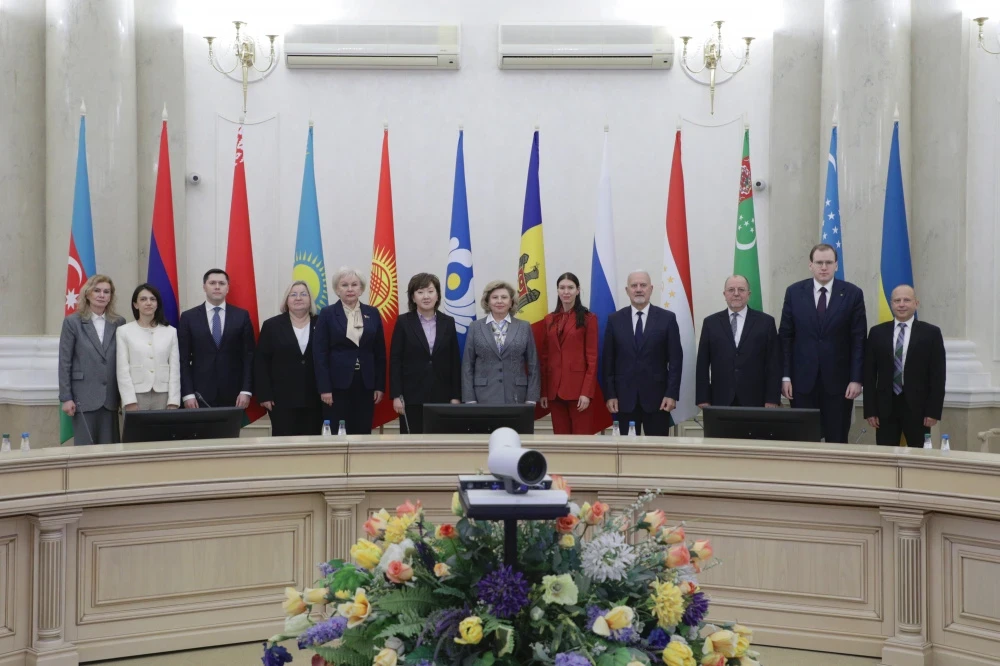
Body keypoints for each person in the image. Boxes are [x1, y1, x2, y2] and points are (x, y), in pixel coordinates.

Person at [779, 244, 867, 443]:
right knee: (803, 440)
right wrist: (785, 376)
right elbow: (785, 337)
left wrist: (856, 379)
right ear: (810, 265)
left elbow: (859, 339)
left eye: (828, 262)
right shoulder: (794, 292)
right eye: (819, 262)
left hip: (839, 384)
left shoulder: (852, 293)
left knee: (837, 440)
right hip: (801, 383)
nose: (824, 267)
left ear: (836, 265)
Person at [863, 285, 945, 447]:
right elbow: (869, 374)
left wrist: (933, 411)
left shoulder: (931, 333)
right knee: (886, 455)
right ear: (891, 304)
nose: (901, 304)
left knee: (919, 455)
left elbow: (938, 375)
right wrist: (870, 410)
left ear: (916, 303)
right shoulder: (877, 333)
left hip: (919, 408)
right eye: (897, 300)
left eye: (906, 300)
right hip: (885, 408)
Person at [602, 270, 682, 436]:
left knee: (658, 449)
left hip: (658, 400)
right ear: (627, 290)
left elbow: (675, 360)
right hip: (624, 400)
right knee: (627, 449)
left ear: (651, 289)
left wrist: (671, 394)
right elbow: (608, 361)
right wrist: (610, 395)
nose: (638, 289)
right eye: (634, 286)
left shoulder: (667, 318)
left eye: (643, 285)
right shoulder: (615, 320)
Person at [314, 268, 386, 434]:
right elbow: (320, 354)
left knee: (362, 431)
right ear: (337, 289)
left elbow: (380, 353)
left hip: (366, 383)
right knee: (336, 432)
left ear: (361, 289)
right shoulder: (327, 313)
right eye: (344, 285)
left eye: (354, 285)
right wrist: (325, 388)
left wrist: (379, 386)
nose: (350, 289)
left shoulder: (373, 313)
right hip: (336, 385)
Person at [58, 274, 127, 444]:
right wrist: (66, 397)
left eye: (106, 292)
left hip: (111, 398)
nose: (102, 295)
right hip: (83, 396)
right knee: (85, 449)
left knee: (110, 450)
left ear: (111, 297)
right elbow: (65, 361)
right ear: (87, 294)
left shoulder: (119, 322)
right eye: (97, 291)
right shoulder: (73, 322)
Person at [390, 273, 462, 433]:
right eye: (420, 292)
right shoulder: (403, 322)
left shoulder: (448, 322)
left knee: (440, 442)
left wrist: (456, 396)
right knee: (412, 441)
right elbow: (395, 360)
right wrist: (397, 395)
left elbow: (454, 361)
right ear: (413, 297)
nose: (426, 296)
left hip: (442, 396)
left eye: (430, 291)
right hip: (411, 396)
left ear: (437, 295)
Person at [696, 275, 781, 410]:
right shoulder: (710, 323)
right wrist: (703, 397)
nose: (736, 294)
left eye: (741, 289)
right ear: (724, 294)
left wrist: (772, 398)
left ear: (749, 294)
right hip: (720, 399)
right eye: (731, 290)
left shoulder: (766, 322)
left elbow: (773, 363)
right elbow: (702, 363)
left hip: (756, 400)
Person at [178, 268, 255, 410]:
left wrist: (246, 390)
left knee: (231, 426)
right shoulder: (188, 317)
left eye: (222, 283)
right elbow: (183, 359)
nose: (217, 287)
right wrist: (187, 394)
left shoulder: (241, 316)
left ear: (228, 288)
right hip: (199, 394)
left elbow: (249, 356)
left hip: (234, 394)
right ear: (204, 287)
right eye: (212, 283)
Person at [255, 281, 324, 437]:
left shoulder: (321, 323)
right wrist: (264, 395)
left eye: (303, 294)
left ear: (310, 299)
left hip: (315, 398)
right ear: (286, 300)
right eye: (293, 295)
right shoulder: (271, 325)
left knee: (311, 443)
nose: (298, 298)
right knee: (283, 443)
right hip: (281, 399)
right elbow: (261, 363)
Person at [461, 280, 540, 405]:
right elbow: (467, 365)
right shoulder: (475, 327)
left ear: (511, 302)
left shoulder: (524, 327)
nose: (499, 301)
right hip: (483, 396)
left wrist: (532, 398)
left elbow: (533, 364)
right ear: (487, 301)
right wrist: (469, 398)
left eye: (504, 297)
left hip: (516, 395)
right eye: (494, 297)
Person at [538, 272, 599, 434]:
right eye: (562, 287)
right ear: (557, 290)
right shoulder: (549, 319)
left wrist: (586, 393)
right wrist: (544, 392)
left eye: (570, 288)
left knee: (581, 440)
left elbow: (592, 359)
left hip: (578, 392)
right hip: (554, 392)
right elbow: (545, 358)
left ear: (577, 290)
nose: (566, 292)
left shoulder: (589, 318)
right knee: (561, 441)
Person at [115, 283, 181, 411]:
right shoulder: (124, 331)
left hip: (163, 394)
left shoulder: (170, 331)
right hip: (136, 394)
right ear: (136, 304)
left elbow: (175, 369)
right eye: (143, 299)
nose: (148, 303)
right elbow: (122, 369)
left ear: (157, 304)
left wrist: (173, 400)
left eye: (152, 299)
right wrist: (129, 400)